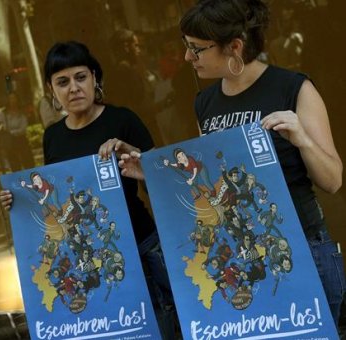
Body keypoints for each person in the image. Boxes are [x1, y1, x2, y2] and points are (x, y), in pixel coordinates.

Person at [120, 0, 343, 326]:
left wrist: (303, 139)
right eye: (186, 47)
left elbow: (333, 180)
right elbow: (209, 187)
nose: (187, 57)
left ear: (234, 46)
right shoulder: (205, 102)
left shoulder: (293, 88)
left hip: (302, 250)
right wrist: (153, 173)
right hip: (241, 257)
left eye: (196, 49)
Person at [0, 41, 177, 339]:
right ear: (51, 90)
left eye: (81, 77)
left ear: (95, 78)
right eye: (63, 82)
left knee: (159, 328)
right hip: (89, 258)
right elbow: (54, 198)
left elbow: (166, 182)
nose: (74, 88)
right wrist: (20, 201)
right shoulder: (52, 136)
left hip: (140, 247)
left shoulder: (122, 120)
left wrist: (136, 157)